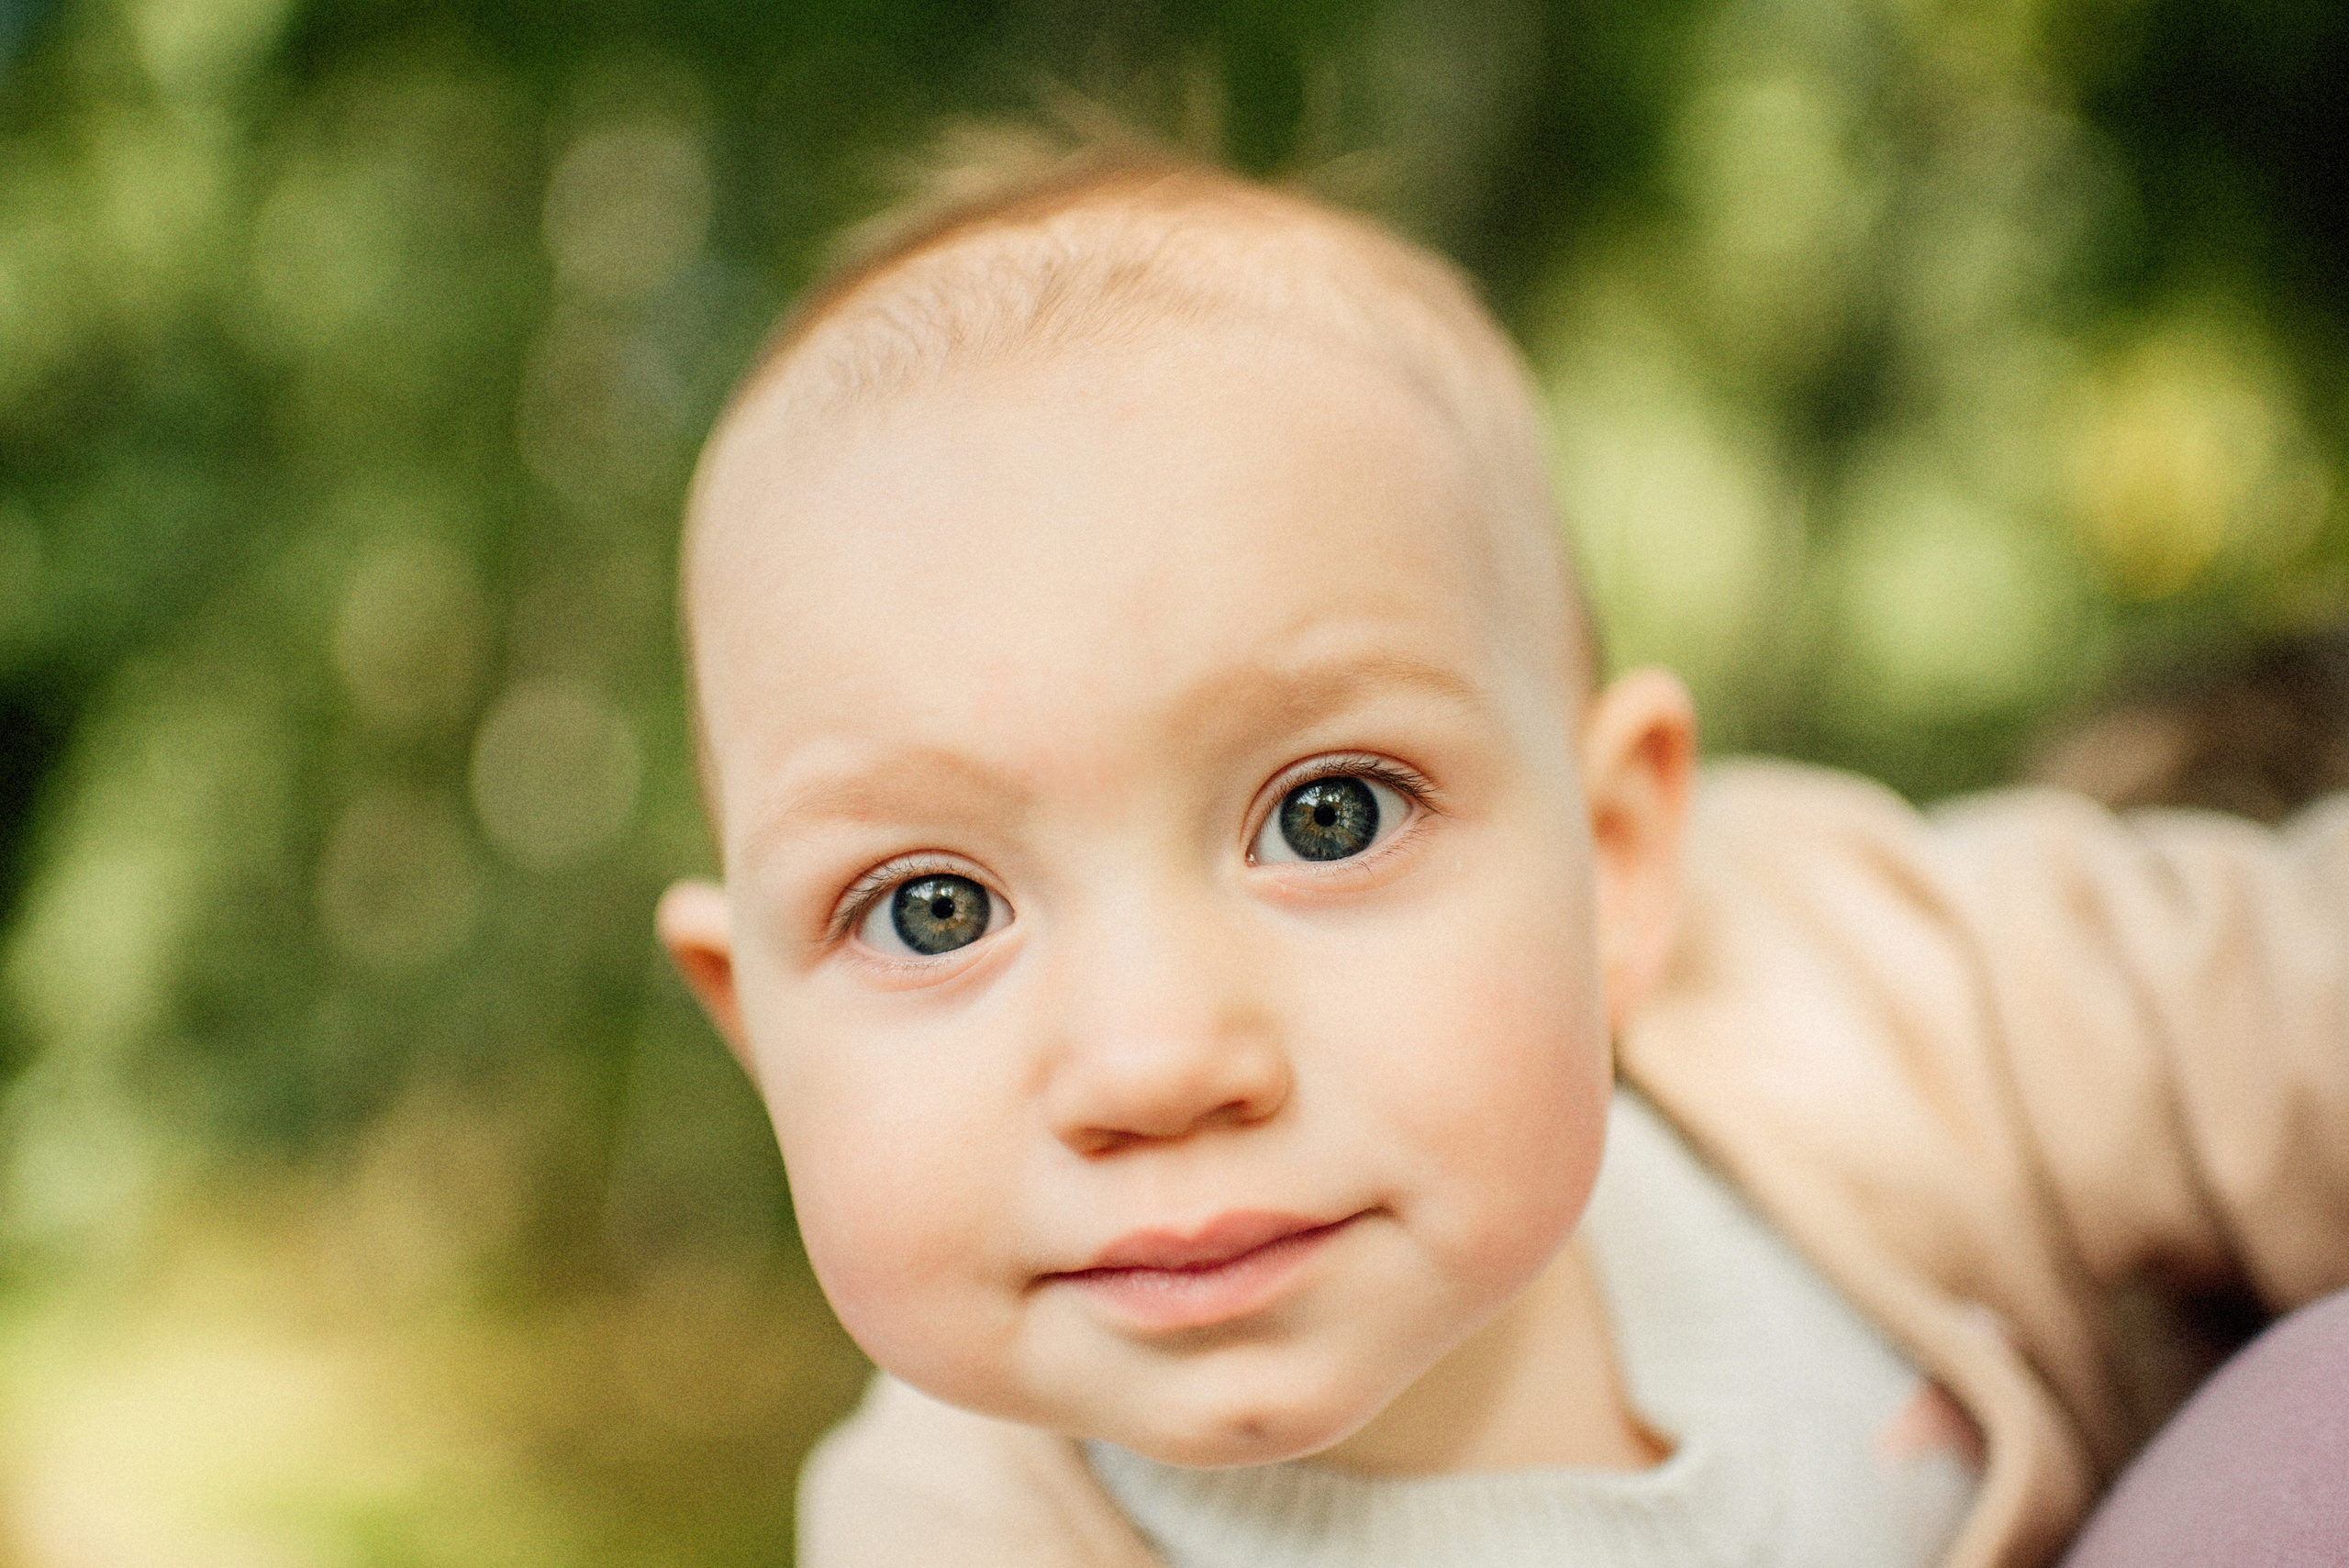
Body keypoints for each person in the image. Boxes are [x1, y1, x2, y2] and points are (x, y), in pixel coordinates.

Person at [650, 137, 2349, 1568]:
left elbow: (2289, 988)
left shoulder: (1844, 980)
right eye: (933, 911)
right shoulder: (957, 1529)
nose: (1158, 1060)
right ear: (758, 1032)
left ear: (1615, 860)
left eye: (1333, 814)